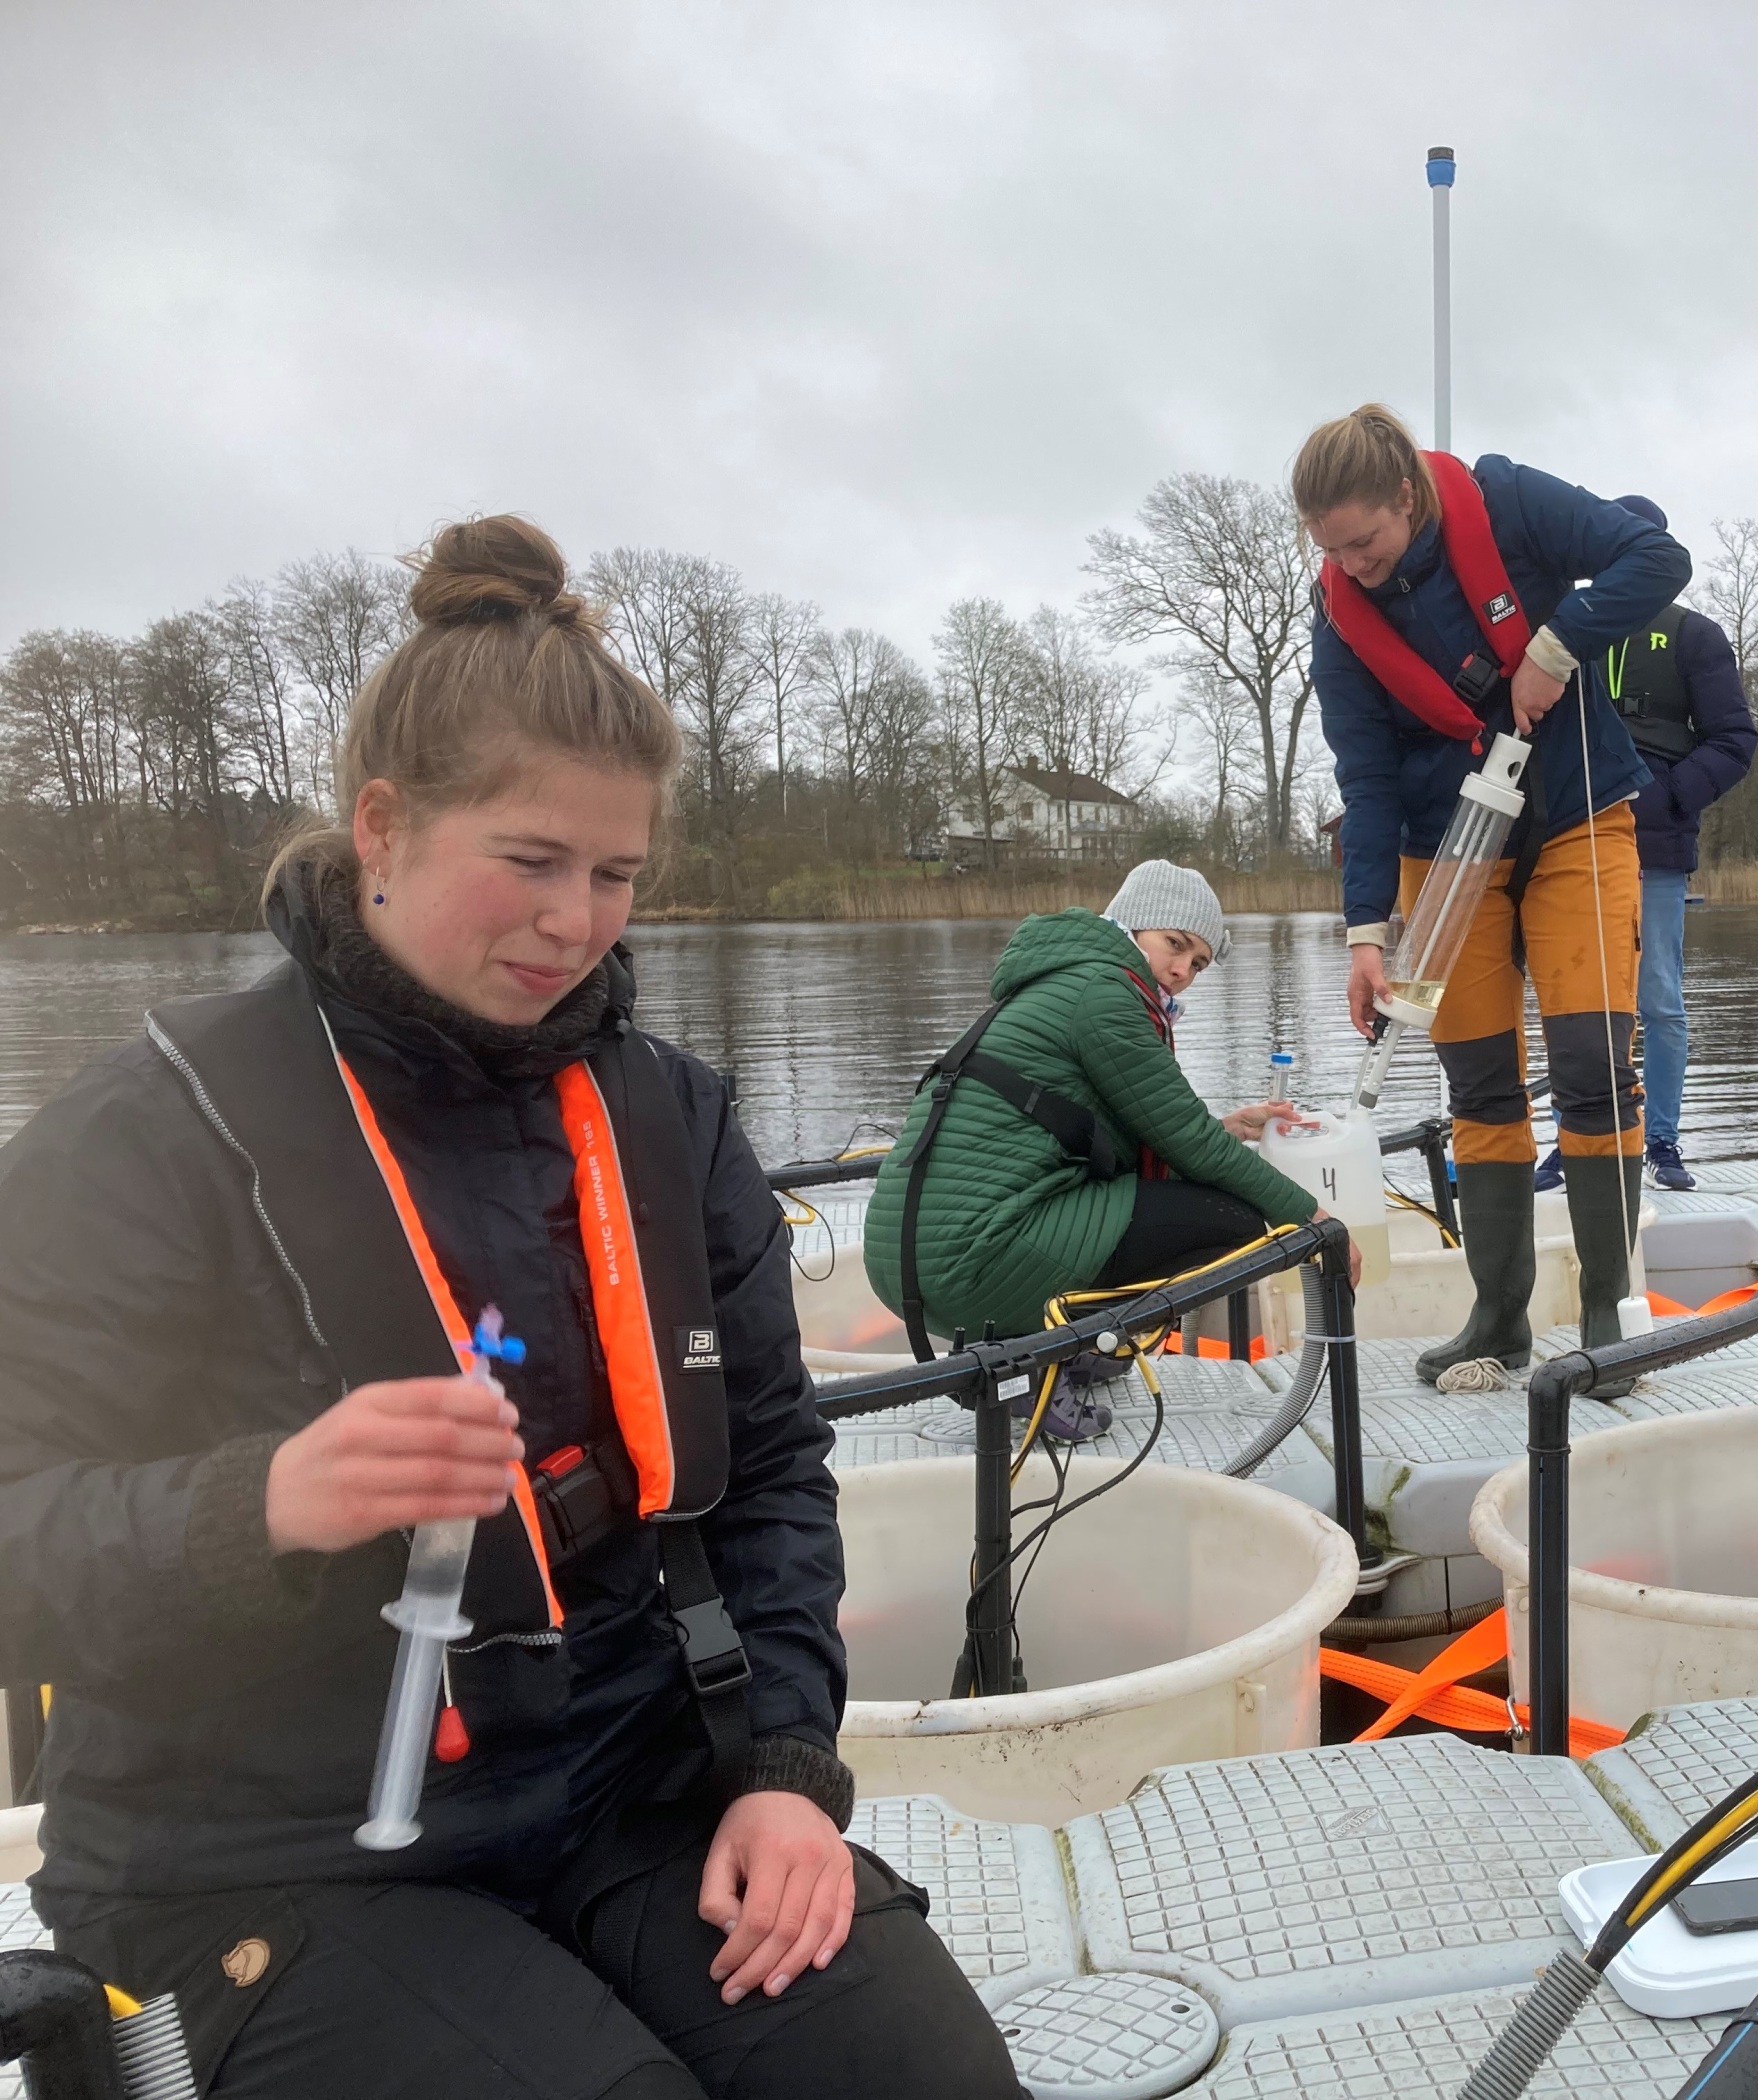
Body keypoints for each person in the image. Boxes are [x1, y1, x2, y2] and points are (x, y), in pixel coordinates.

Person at [0, 518, 1023, 2098]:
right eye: (532, 862)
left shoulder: (671, 1121)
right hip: (254, 1859)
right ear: (384, 829)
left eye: (617, 874)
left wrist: (785, 1774)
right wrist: (255, 1501)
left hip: (622, 1785)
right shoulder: (145, 1137)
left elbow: (767, 1474)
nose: (579, 921)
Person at [1295, 404, 1689, 1390]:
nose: (1355, 565)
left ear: (1407, 495)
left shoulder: (1507, 499)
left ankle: (1606, 1312)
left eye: (1367, 540)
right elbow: (1367, 781)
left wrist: (1553, 651)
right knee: (1477, 1084)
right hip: (1442, 858)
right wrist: (1364, 932)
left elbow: (1655, 556)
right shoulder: (1340, 623)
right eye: (1332, 550)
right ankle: (1497, 1317)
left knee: (1593, 1062)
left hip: (1575, 820)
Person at [863, 859, 1330, 1434]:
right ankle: (1034, 1364)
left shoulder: (1072, 978)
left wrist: (1228, 1126)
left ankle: (1068, 1345)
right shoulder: (1105, 992)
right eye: (1175, 944)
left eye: (1199, 963)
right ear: (1131, 926)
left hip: (911, 1261)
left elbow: (1149, 1126)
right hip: (964, 1265)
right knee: (1231, 1219)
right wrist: (1312, 1220)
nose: (1183, 970)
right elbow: (1191, 1145)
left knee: (1184, 1203)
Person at [1530, 496, 1758, 1195]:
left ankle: (1660, 1140)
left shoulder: (1695, 636)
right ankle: (1579, 1138)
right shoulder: (1564, 632)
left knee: (1657, 996)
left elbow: (1735, 741)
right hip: (1568, 841)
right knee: (1580, 998)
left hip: (1653, 847)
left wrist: (1658, 801)